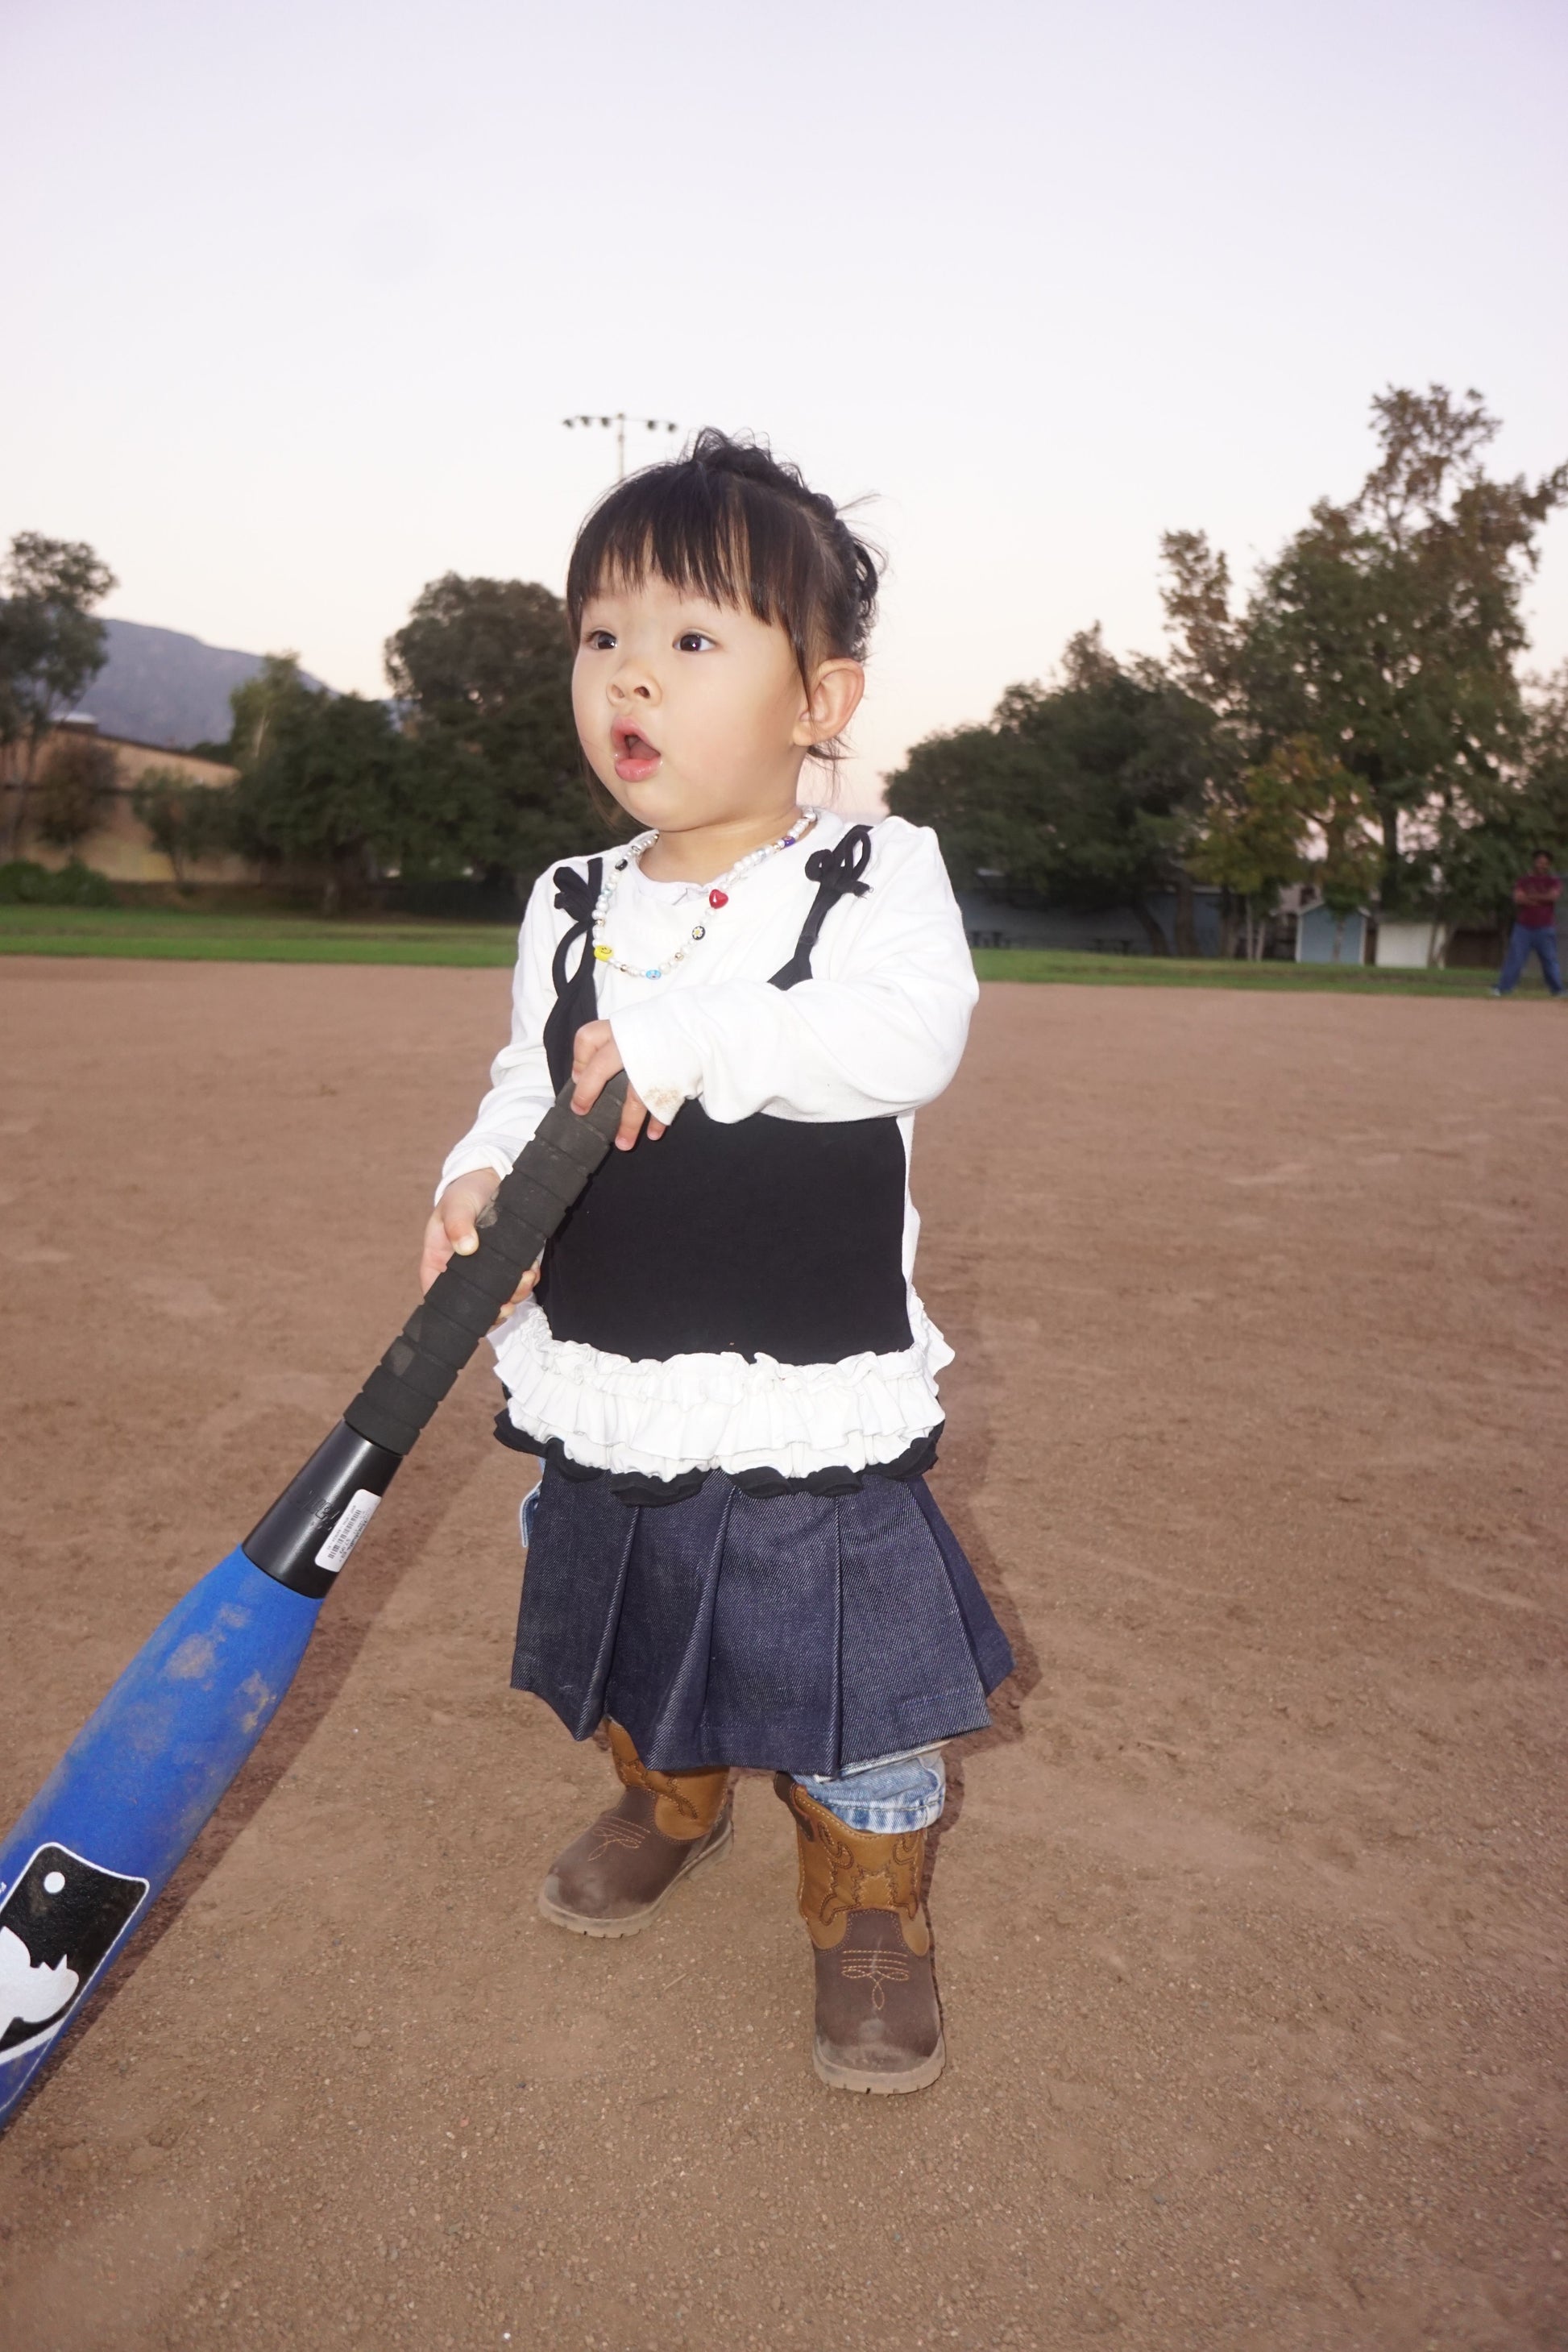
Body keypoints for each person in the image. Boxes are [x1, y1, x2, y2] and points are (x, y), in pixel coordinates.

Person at [421, 432, 1011, 2096]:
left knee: (848, 1657)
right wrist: (476, 1170)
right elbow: (535, 1069)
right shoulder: (569, 895)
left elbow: (908, 1033)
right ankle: (667, 1794)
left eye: (692, 639)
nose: (631, 675)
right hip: (610, 1355)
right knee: (625, 1593)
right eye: (602, 634)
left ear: (820, 699)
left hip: (799, 1359)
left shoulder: (873, 869)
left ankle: (869, 1902)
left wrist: (684, 1038)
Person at [1489, 849, 1564, 997]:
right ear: (1534, 862)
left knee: (1550, 961)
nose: (1541, 865)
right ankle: (1504, 988)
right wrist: (1541, 899)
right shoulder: (1523, 881)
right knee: (1515, 959)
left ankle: (1558, 990)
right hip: (1523, 927)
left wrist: (1531, 898)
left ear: (1548, 865)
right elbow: (1518, 898)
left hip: (1545, 927)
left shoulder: (1553, 881)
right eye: (1539, 861)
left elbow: (1553, 897)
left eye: (1545, 863)